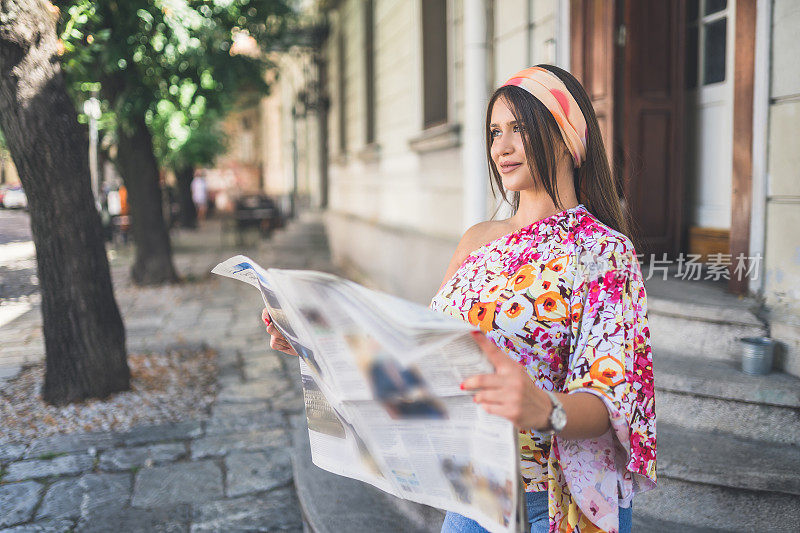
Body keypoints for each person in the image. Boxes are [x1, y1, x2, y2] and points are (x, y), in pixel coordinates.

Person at [263, 64, 656, 533]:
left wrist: (544, 407)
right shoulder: (477, 240)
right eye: (495, 132)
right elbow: (418, 358)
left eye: (519, 129)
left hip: (548, 501)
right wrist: (315, 344)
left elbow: (611, 403)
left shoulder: (603, 253)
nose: (502, 147)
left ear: (567, 136)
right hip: (472, 496)